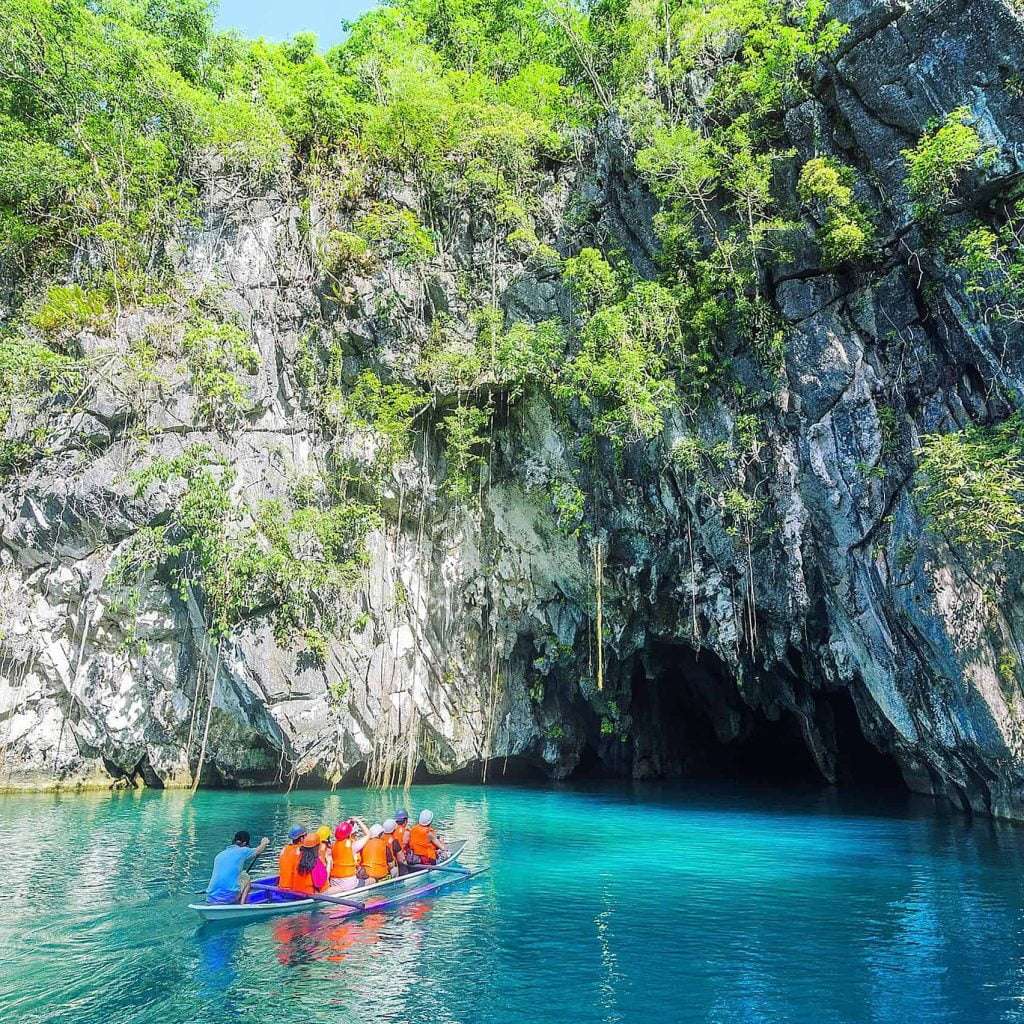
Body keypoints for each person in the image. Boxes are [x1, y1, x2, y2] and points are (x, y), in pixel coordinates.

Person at [206, 831, 269, 905]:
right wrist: (264, 842)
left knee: (241, 874)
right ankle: (242, 904)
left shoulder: (219, 855)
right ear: (245, 843)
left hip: (210, 896)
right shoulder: (243, 850)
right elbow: (258, 850)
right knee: (246, 877)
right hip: (229, 897)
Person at [328, 821, 361, 892]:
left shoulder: (334, 845)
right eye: (355, 833)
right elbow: (368, 835)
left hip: (334, 879)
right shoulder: (353, 845)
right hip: (348, 882)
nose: (356, 835)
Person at [278, 826, 306, 890]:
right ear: (302, 838)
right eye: (306, 835)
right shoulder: (302, 850)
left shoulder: (284, 849)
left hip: (282, 885)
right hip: (294, 889)